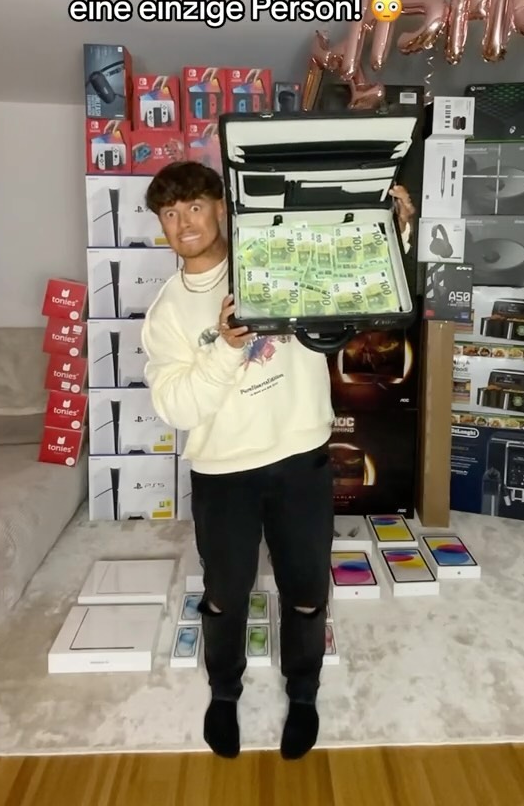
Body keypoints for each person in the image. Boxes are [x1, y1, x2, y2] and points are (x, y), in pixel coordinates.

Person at [141, 161, 415, 760]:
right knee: (224, 595)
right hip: (222, 473)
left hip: (299, 457)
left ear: (222, 207)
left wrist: (392, 232)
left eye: (194, 206)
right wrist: (225, 349)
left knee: (307, 590)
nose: (183, 223)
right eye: (170, 214)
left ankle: (304, 693)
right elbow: (177, 407)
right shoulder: (166, 313)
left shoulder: (281, 258)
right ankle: (224, 692)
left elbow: (353, 281)